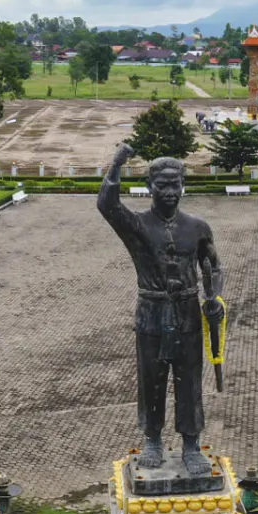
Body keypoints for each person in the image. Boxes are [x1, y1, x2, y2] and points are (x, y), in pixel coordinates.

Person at [97, 143, 225, 475]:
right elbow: (107, 205)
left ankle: (191, 444)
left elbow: (214, 266)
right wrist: (117, 162)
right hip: (151, 312)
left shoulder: (197, 226)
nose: (169, 192)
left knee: (189, 379)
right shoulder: (137, 225)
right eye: (162, 185)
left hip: (187, 313)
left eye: (175, 184)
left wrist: (214, 297)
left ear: (183, 185)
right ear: (150, 187)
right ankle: (152, 439)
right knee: (151, 378)